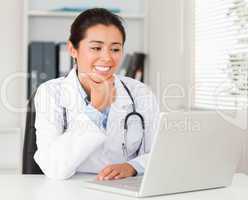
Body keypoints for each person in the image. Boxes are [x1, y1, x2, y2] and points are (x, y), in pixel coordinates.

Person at [34, 8, 159, 180]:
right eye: (96, 48)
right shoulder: (50, 93)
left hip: (125, 188)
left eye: (115, 49)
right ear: (72, 49)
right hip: (70, 191)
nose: (107, 58)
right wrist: (95, 110)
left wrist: (132, 166)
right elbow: (53, 167)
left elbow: (158, 153)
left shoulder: (140, 93)